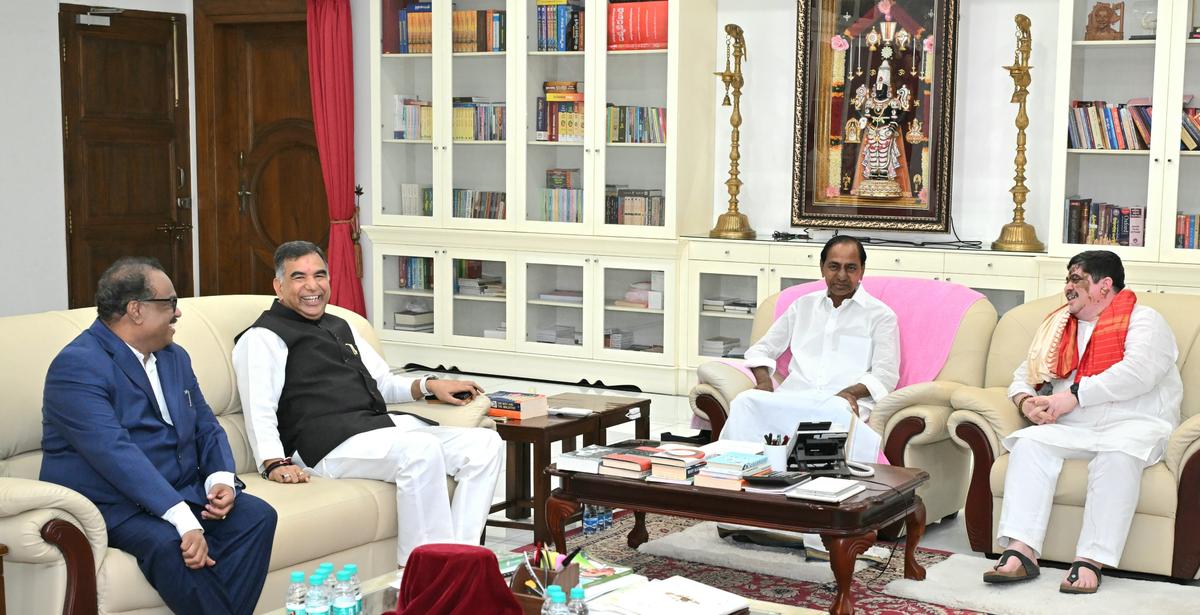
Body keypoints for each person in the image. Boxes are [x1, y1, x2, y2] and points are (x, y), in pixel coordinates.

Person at [233, 241, 504, 567]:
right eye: (299, 277)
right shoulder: (263, 337)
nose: (312, 286)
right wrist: (274, 463)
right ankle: (423, 574)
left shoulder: (338, 324)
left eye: (320, 275)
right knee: (419, 451)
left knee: (485, 444)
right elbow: (258, 406)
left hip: (376, 430)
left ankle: (462, 563)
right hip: (324, 444)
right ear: (278, 285)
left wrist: (429, 385)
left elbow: (383, 383)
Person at [41, 257, 277, 614]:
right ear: (135, 310)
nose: (178, 313)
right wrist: (184, 520)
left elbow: (206, 425)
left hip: (179, 490)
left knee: (256, 516)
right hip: (115, 503)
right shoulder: (77, 365)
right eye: (169, 303)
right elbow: (116, 456)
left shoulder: (174, 357)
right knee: (170, 543)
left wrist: (221, 480)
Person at [982, 251, 1181, 594]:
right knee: (1029, 444)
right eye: (1067, 279)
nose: (1068, 287)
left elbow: (1137, 373)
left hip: (1133, 424)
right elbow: (1022, 375)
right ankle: (1021, 550)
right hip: (1074, 425)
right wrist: (1026, 401)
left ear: (1105, 286)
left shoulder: (1145, 320)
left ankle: (1091, 559)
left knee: (1118, 456)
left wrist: (1072, 396)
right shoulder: (1059, 326)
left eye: (1077, 279)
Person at [719, 236, 900, 463]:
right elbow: (760, 350)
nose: (842, 276)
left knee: (835, 412)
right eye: (834, 266)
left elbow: (885, 376)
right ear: (822, 268)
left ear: (862, 271)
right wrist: (764, 383)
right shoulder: (802, 306)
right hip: (794, 396)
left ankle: (816, 483)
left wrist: (850, 393)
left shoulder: (881, 315)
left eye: (851, 268)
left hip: (840, 402)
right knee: (745, 401)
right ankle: (734, 471)